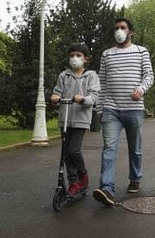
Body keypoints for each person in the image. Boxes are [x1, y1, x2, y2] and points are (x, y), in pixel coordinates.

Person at [93, 17, 154, 206]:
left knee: (135, 149)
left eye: (122, 28)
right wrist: (100, 108)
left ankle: (135, 178)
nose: (118, 31)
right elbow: (101, 83)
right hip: (111, 110)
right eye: (116, 28)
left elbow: (149, 76)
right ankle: (107, 189)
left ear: (131, 32)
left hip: (134, 110)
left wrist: (141, 89)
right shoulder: (107, 55)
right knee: (109, 149)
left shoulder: (141, 51)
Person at [51, 43, 100, 197]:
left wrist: (83, 99)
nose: (74, 58)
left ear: (85, 59)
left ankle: (83, 175)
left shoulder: (91, 75)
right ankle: (74, 182)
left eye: (78, 55)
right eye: (72, 55)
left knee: (74, 150)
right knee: (65, 152)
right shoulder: (63, 75)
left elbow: (94, 96)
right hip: (65, 118)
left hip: (81, 118)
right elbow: (57, 92)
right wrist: (55, 97)